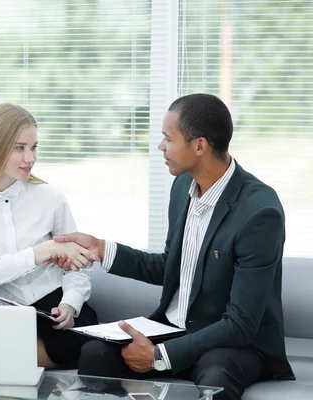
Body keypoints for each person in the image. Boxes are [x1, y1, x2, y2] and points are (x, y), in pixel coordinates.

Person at [49, 93, 294, 400]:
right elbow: (171, 267)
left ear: (199, 146)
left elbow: (241, 323)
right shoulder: (182, 187)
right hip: (175, 327)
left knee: (216, 374)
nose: (160, 147)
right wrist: (100, 248)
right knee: (96, 354)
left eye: (167, 139)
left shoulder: (259, 212)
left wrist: (160, 354)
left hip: (234, 341)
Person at [0, 103, 100, 369]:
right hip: (11, 316)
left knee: (87, 347)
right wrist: (44, 251)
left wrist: (70, 305)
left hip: (59, 311)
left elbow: (79, 265)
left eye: (34, 147)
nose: (30, 158)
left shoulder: (50, 197)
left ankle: (2, 364)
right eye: (19, 148)